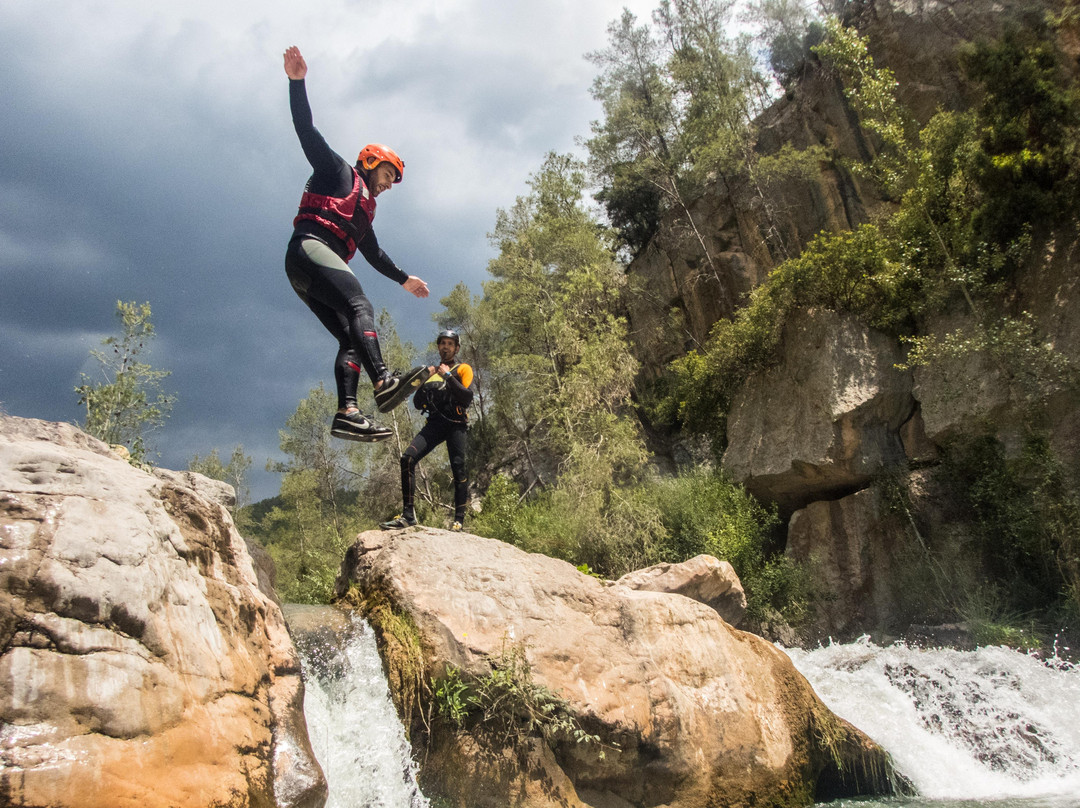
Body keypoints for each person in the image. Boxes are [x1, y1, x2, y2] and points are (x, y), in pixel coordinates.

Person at [282, 45, 430, 443]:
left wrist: (404, 279)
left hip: (304, 272)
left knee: (350, 335)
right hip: (310, 248)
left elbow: (374, 254)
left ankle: (347, 413)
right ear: (369, 162)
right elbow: (306, 131)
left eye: (393, 180)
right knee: (360, 306)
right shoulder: (338, 173)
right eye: (387, 173)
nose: (388, 183)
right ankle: (384, 380)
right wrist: (298, 83)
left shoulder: (364, 213)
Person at [381, 330, 474, 531]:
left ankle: (458, 520)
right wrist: (423, 380)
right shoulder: (430, 374)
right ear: (438, 347)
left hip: (456, 424)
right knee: (407, 459)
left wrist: (447, 376)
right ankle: (408, 516)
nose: (446, 347)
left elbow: (466, 397)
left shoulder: (463, 369)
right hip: (434, 424)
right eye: (443, 343)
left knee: (459, 468)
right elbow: (417, 404)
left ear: (456, 348)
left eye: (450, 344)